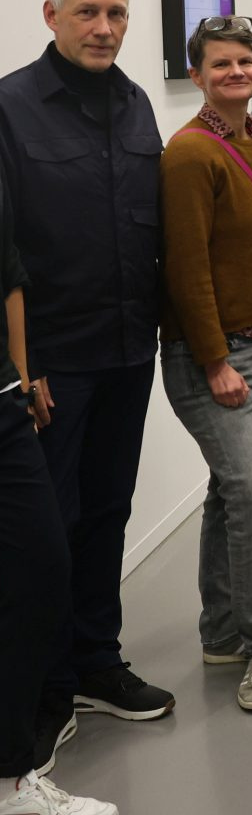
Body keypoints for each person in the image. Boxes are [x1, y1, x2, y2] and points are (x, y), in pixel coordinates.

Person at [0, 0, 173, 766]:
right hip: (52, 367)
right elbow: (5, 256)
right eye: (88, 14)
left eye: (117, 14)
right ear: (51, 16)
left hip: (127, 352)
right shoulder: (11, 108)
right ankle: (48, 685)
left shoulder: (138, 105)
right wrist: (21, 367)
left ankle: (98, 661)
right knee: (47, 532)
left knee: (108, 511)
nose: (105, 28)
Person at [159, 14, 252, 714]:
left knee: (230, 491)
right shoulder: (189, 154)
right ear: (197, 77)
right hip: (213, 354)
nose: (236, 73)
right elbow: (185, 270)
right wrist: (216, 360)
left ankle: (221, 631)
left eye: (245, 61)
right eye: (220, 66)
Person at [0, 170, 119, 815]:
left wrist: (20, 375)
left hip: (3, 401)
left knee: (41, 567)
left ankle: (10, 780)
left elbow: (9, 273)